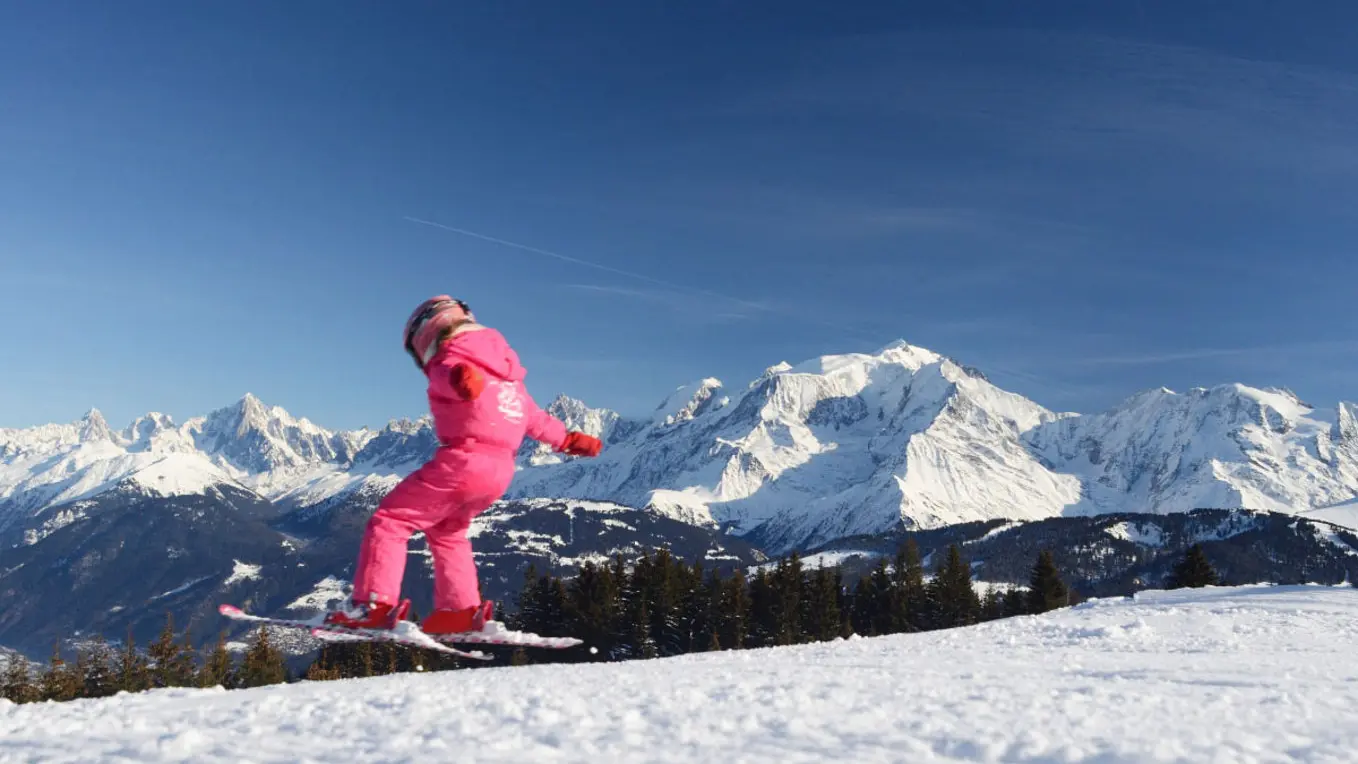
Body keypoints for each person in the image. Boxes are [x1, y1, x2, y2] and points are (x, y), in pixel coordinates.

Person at [324, 295, 602, 635]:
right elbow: (538, 421)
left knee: (390, 520)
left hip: (462, 462)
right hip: (499, 473)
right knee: (448, 531)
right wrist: (571, 440)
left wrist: (460, 378)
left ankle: (371, 605)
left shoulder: (450, 360)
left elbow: (449, 377)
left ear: (427, 334)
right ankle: (459, 611)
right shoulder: (510, 382)